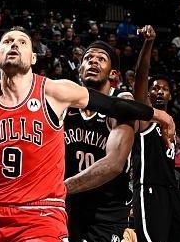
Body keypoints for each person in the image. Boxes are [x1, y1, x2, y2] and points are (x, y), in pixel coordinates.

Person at [0, 27, 175, 242]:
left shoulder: (55, 92)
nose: (14, 45)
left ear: (33, 58)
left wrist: (155, 113)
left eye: (22, 42)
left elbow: (114, 105)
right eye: (8, 41)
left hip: (40, 212)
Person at [63, 40, 135, 242]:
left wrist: (60, 188)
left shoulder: (121, 103)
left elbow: (114, 165)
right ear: (80, 70)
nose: (93, 62)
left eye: (101, 59)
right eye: (88, 58)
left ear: (113, 74)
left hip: (108, 208)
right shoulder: (65, 104)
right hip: (72, 204)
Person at [132, 25, 180, 242]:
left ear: (171, 94)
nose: (159, 91)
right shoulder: (144, 117)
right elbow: (141, 77)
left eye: (164, 88)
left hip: (172, 191)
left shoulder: (172, 124)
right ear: (148, 93)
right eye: (155, 88)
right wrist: (148, 44)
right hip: (149, 189)